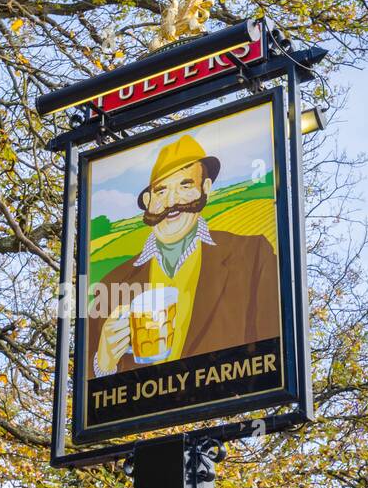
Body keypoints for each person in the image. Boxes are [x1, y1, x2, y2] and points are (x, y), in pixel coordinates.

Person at [90, 133, 281, 376]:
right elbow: (86, 396)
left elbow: (274, 355)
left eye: (185, 185)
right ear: (148, 201)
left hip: (225, 405)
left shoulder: (252, 255)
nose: (171, 201)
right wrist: (104, 363)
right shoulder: (111, 283)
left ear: (206, 188)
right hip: (146, 407)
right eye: (160, 191)